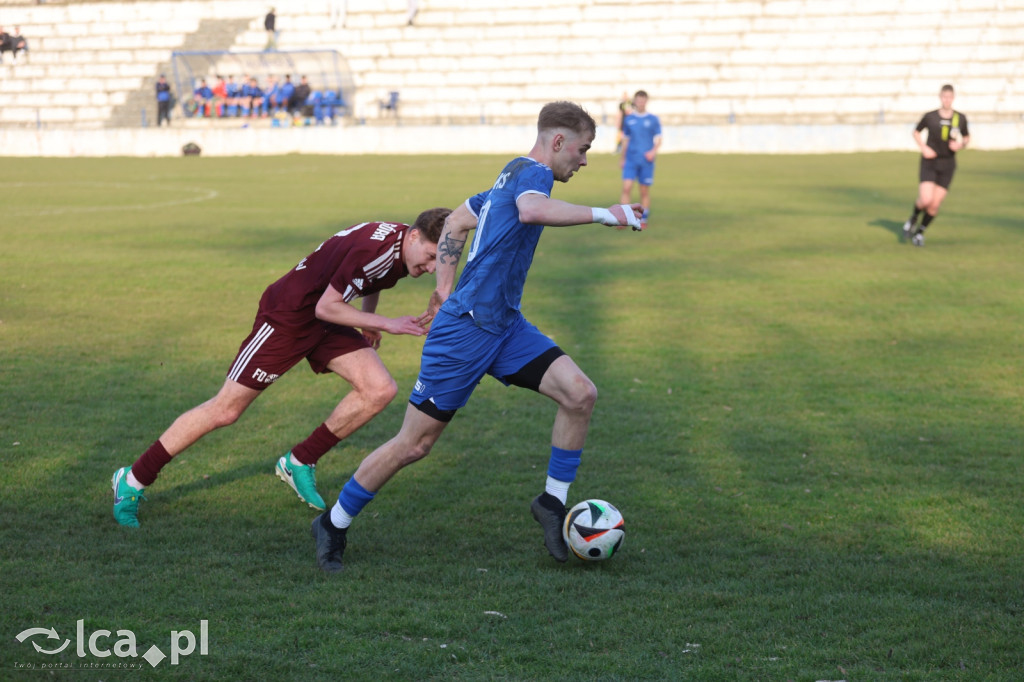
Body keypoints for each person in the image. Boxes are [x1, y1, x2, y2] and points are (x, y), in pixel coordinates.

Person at [311, 101, 643, 573]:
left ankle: (551, 503)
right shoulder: (532, 176)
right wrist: (607, 215)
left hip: (505, 327)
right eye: (583, 150)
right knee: (414, 445)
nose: (585, 161)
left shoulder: (507, 179)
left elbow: (455, 221)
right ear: (557, 142)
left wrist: (443, 286)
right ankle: (333, 523)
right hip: (463, 336)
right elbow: (531, 211)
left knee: (579, 393)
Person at [110, 208, 451, 528]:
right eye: (432, 256)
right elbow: (327, 305)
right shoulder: (375, 250)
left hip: (323, 317)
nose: (433, 267)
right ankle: (133, 478)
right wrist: (387, 323)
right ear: (415, 236)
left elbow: (367, 282)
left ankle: (299, 460)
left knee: (379, 389)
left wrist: (368, 322)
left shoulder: (398, 247)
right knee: (225, 410)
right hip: (289, 316)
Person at [902, 84, 970, 247]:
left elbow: (966, 137)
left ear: (953, 98)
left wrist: (960, 145)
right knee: (926, 200)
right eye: (944, 97)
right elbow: (916, 132)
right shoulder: (930, 116)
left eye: (950, 97)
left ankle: (919, 233)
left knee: (934, 205)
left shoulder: (959, 118)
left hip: (948, 164)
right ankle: (913, 218)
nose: (947, 100)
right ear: (940, 97)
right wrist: (924, 147)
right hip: (930, 162)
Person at [619, 90, 662, 230]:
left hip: (646, 161)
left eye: (643, 100)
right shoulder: (629, 119)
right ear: (635, 101)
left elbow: (659, 139)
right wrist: (623, 158)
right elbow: (625, 140)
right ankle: (624, 219)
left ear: (646, 101)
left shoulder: (653, 119)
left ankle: (643, 219)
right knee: (626, 188)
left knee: (644, 191)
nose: (641, 103)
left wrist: (653, 151)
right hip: (631, 160)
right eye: (638, 100)